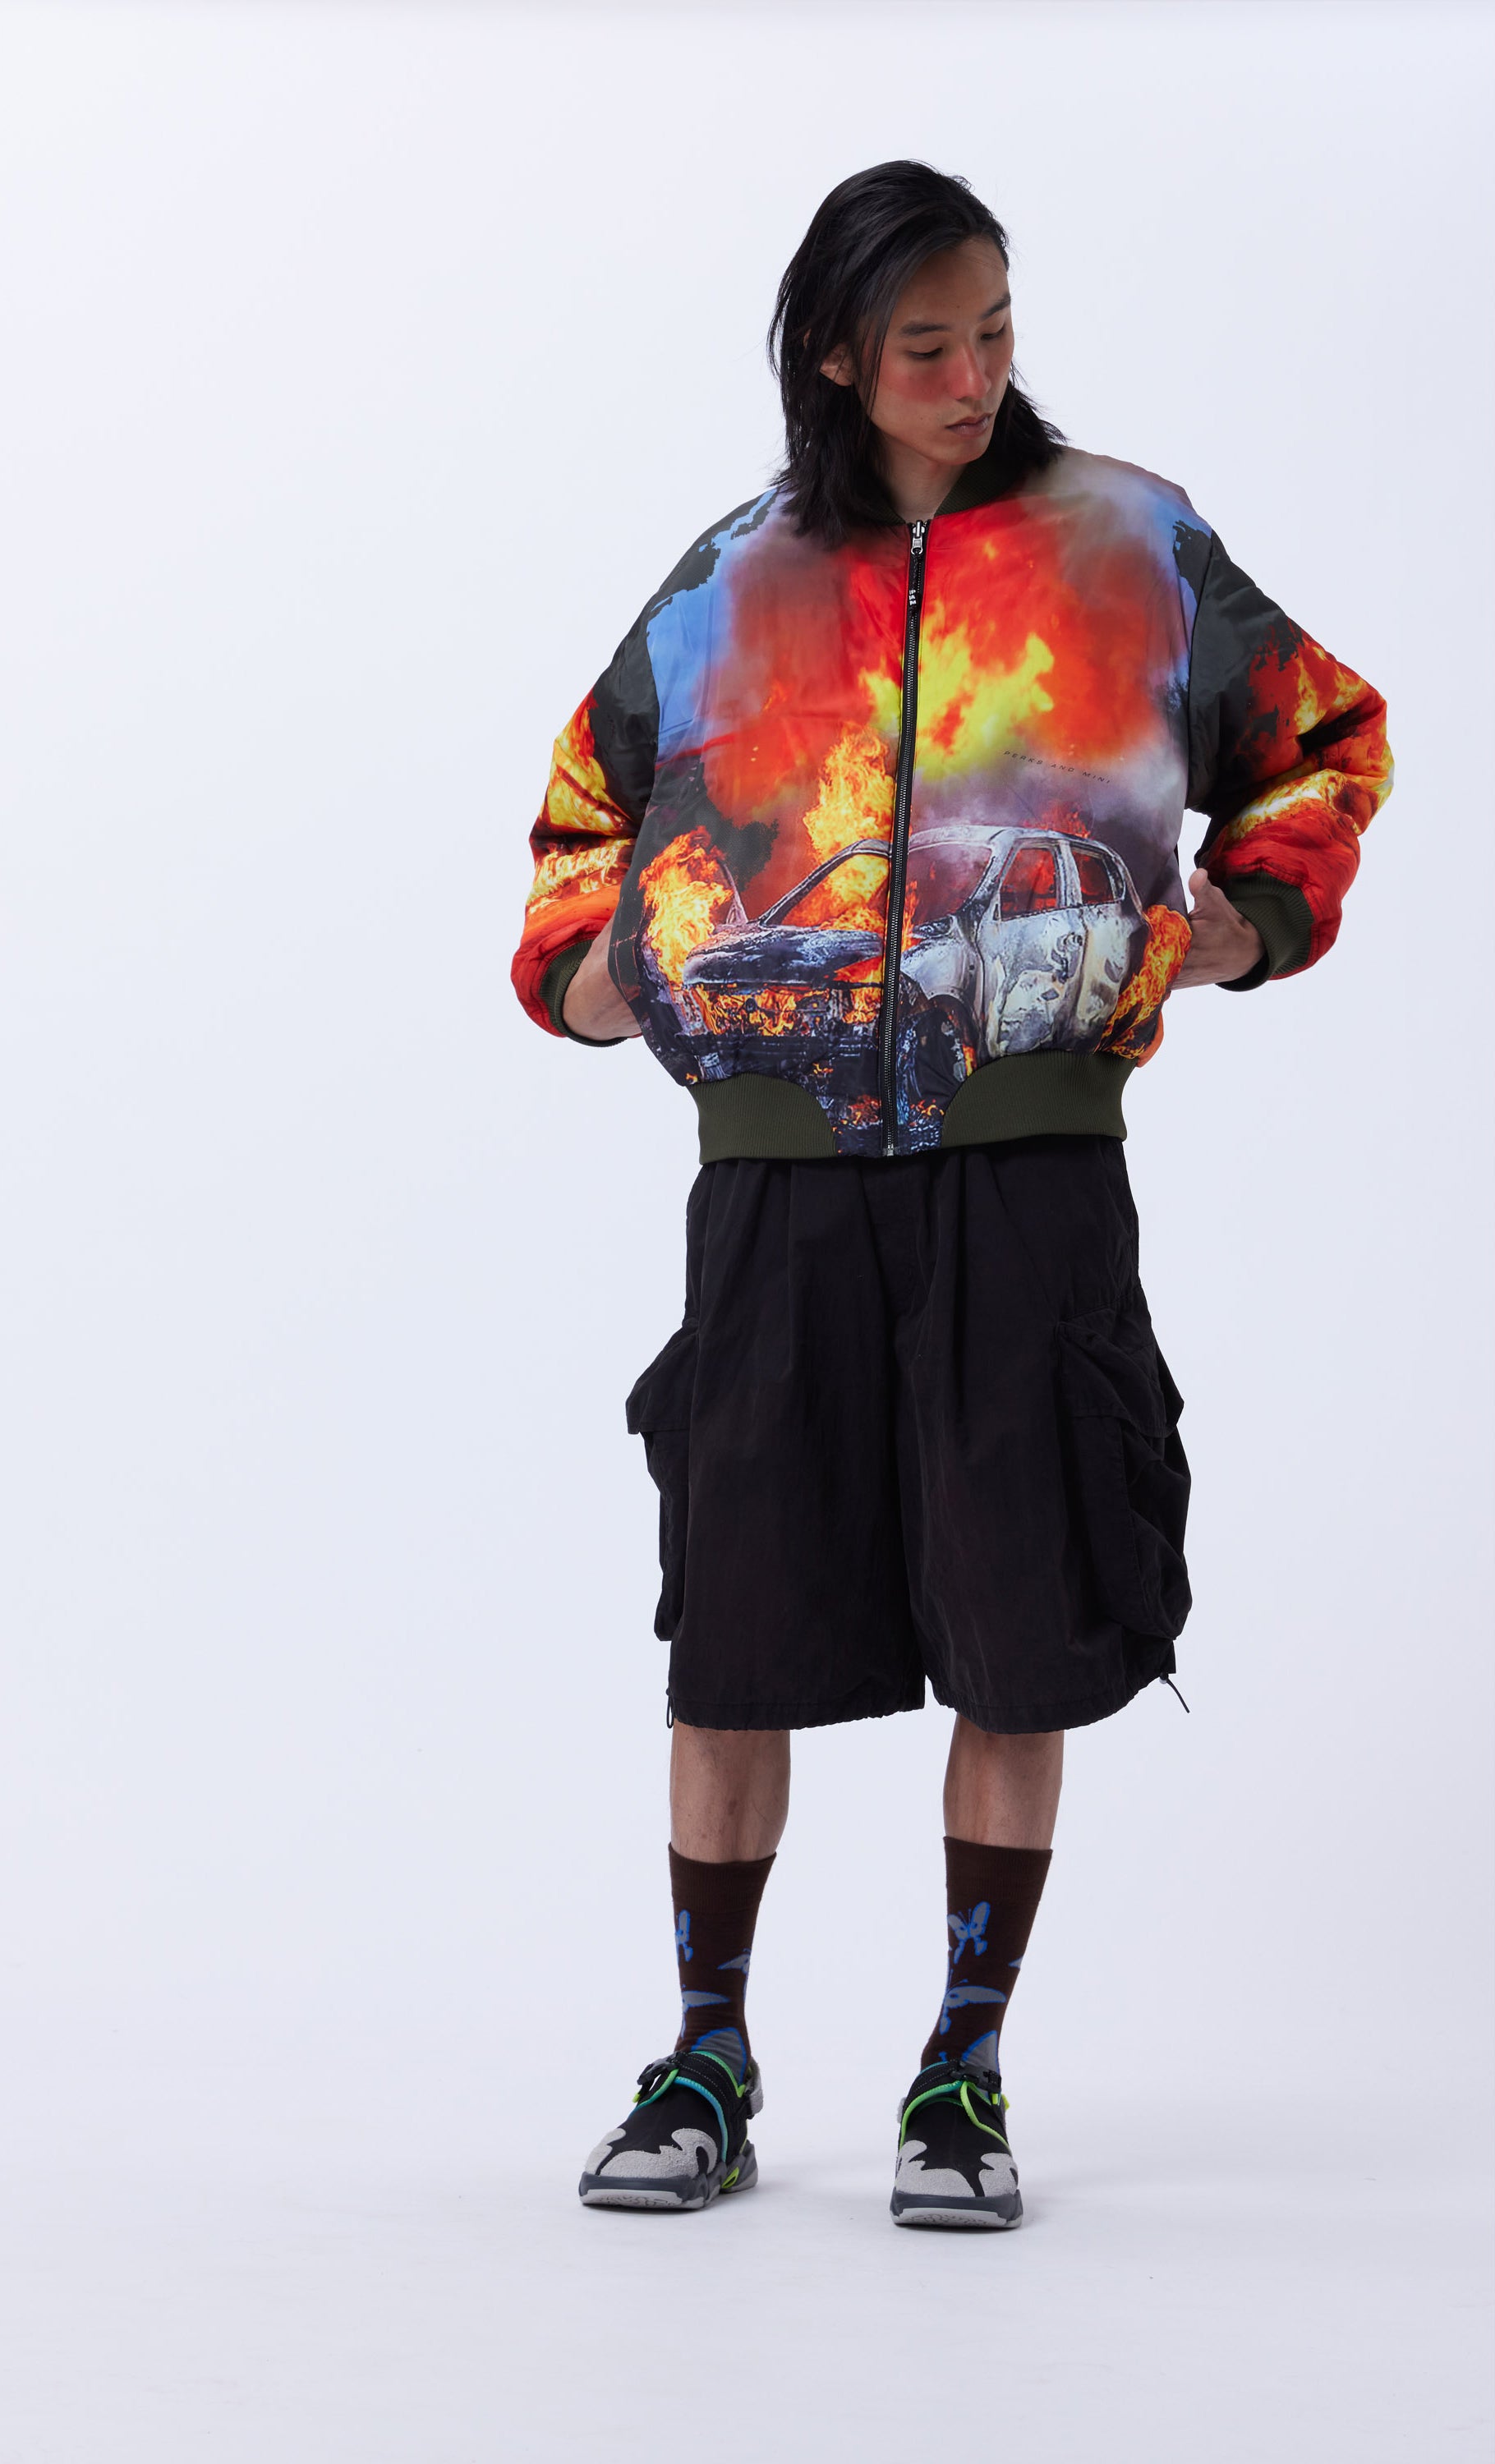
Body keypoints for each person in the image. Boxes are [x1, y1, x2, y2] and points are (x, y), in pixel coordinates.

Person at [511, 161, 1390, 2228]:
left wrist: (1252, 923)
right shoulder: (729, 583)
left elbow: (1323, 743)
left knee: (1019, 1622)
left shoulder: (1127, 542)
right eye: (926, 345)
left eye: (994, 330)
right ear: (834, 356)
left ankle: (961, 2077)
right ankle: (706, 2059)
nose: (973, 374)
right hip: (777, 1192)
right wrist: (592, 974)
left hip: (1033, 1179)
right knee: (734, 1639)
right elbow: (576, 829)